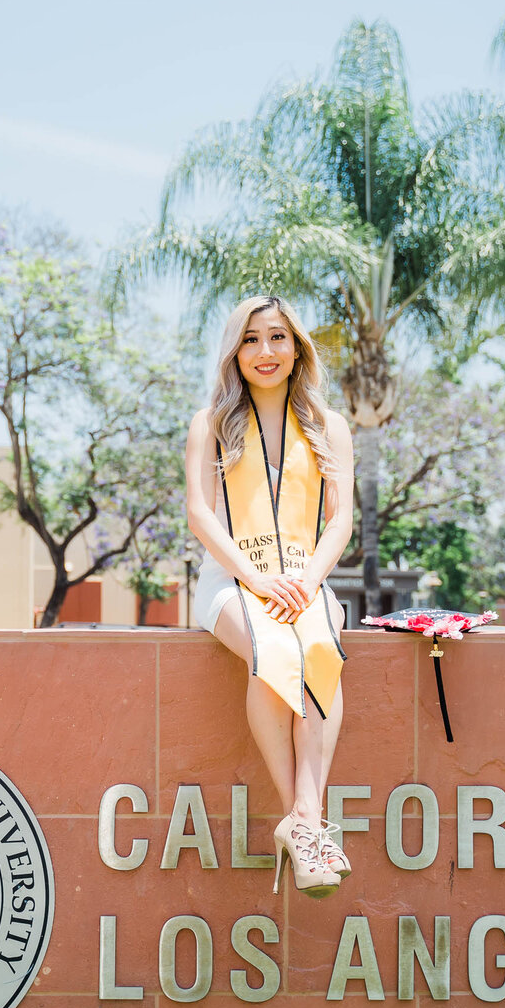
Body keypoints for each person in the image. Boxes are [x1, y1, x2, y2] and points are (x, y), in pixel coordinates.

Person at [185, 294, 355, 897]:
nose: (265, 351)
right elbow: (200, 514)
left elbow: (340, 520)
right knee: (273, 652)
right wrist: (256, 581)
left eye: (278, 337)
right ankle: (308, 825)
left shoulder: (327, 425)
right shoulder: (211, 423)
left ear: (297, 347)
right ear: (236, 350)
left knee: (320, 652)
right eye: (252, 339)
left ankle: (302, 822)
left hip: (305, 579)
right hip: (233, 578)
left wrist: (307, 582)